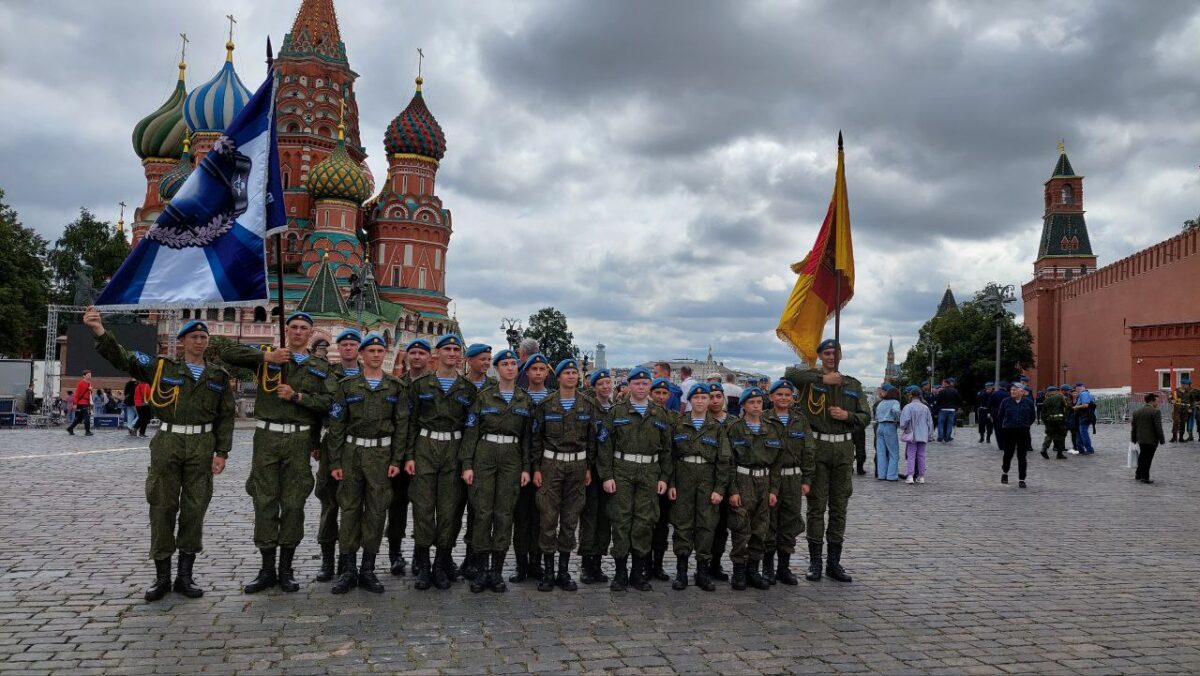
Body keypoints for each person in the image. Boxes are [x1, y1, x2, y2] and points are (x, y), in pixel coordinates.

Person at [84, 309, 234, 601]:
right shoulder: (162, 368)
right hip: (168, 441)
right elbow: (124, 358)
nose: (200, 342)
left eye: (204, 337)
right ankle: (162, 577)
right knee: (162, 507)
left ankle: (185, 576)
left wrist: (222, 452)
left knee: (194, 510)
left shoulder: (218, 375)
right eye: (194, 337)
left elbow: (226, 416)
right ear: (182, 342)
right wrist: (100, 331)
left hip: (202, 444)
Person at [215, 311, 335, 594]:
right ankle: (266, 568)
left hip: (298, 440)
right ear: (286, 330)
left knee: (294, 503)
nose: (297, 332)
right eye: (292, 327)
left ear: (310, 333)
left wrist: (298, 397)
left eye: (303, 328)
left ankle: (286, 569)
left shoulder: (320, 367)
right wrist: (266, 358)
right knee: (264, 500)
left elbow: (328, 404)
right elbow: (227, 353)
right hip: (267, 437)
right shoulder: (269, 356)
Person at [783, 338, 870, 584]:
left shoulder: (852, 384)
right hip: (818, 449)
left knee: (839, 507)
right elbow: (789, 374)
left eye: (836, 353)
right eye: (828, 353)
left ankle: (834, 562)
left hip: (843, 448)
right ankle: (815, 561)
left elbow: (866, 416)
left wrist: (848, 415)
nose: (832, 357)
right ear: (820, 356)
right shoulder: (810, 381)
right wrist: (823, 379)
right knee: (816, 507)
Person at [326, 333, 406, 594]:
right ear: (361, 354)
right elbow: (337, 426)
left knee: (376, 511)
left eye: (379, 351)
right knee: (349, 510)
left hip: (381, 456)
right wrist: (336, 460)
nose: (375, 354)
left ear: (385, 354)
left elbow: (402, 427)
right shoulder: (348, 386)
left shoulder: (395, 387)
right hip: (352, 452)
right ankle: (348, 569)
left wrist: (396, 459)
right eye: (370, 350)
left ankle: (368, 569)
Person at [459, 349, 533, 593]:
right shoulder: (484, 397)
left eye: (513, 363)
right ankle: (480, 571)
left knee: (504, 514)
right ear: (497, 369)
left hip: (511, 458)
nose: (510, 367)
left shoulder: (525, 399)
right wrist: (467, 465)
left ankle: (496, 572)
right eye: (505, 364)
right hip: (485, 455)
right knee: (482, 512)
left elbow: (527, 439)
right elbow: (471, 432)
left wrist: (525, 468)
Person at [405, 334, 476, 590]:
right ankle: (423, 565)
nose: (453, 353)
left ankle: (441, 563)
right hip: (425, 448)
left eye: (457, 349)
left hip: (454, 450)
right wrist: (409, 456)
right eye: (448, 349)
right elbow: (409, 423)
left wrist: (466, 461)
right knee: (423, 508)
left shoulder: (468, 390)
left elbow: (471, 429)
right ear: (438, 354)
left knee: (449, 510)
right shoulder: (421, 385)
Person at [598, 366, 672, 592]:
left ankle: (637, 573)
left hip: (649, 471)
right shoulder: (616, 412)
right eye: (637, 383)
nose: (641, 387)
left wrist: (664, 477)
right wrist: (606, 476)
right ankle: (620, 573)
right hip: (622, 470)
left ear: (650, 386)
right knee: (621, 520)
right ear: (629, 385)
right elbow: (604, 446)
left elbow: (667, 450)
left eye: (645, 383)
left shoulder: (660, 414)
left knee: (644, 521)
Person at [531, 358, 599, 592]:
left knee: (570, 519)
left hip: (578, 466)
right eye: (566, 373)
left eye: (574, 373)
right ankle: (548, 572)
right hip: (551, 465)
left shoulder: (588, 405)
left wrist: (589, 467)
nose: (571, 376)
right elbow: (536, 439)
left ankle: (563, 570)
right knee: (548, 518)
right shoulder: (547, 405)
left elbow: (592, 440)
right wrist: (536, 469)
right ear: (558, 377)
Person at [666, 383, 730, 592]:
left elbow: (723, 461)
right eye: (697, 398)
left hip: (707, 479)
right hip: (683, 478)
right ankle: (681, 572)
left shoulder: (717, 427)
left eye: (705, 398)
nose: (701, 401)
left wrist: (719, 489)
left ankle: (702, 571)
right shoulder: (679, 424)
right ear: (690, 400)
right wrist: (672, 483)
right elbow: (671, 457)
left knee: (706, 526)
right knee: (682, 525)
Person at [312, 328, 362, 583]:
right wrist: (315, 442)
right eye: (344, 344)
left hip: (359, 448)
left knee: (354, 506)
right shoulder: (327, 376)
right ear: (338, 348)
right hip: (332, 442)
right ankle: (327, 558)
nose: (349, 348)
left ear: (359, 349)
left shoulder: (372, 377)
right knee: (330, 503)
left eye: (353, 344)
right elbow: (317, 411)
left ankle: (348, 558)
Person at [725, 387, 782, 590]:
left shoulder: (772, 429)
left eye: (758, 402)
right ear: (743, 406)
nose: (756, 406)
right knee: (741, 527)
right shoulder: (735, 429)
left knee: (760, 528)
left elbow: (777, 463)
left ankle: (753, 570)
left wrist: (774, 490)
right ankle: (739, 571)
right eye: (751, 403)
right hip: (743, 479)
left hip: (764, 481)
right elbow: (728, 462)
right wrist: (732, 490)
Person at [386, 338, 432, 577]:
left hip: (424, 456)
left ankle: (418, 554)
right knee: (396, 506)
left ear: (429, 358)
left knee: (423, 507)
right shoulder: (396, 385)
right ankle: (395, 554)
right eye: (412, 353)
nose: (416, 357)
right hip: (398, 455)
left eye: (421, 353)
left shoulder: (434, 386)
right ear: (406, 357)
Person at [763, 380, 812, 586]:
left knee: (790, 522)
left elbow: (809, 451)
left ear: (793, 398)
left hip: (793, 478)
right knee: (768, 521)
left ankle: (784, 567)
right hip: (769, 478)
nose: (784, 398)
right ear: (771, 397)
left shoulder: (800, 420)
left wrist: (807, 479)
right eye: (779, 394)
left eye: (787, 395)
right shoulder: (763, 419)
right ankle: (767, 567)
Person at [511, 353, 551, 583]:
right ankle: (521, 563)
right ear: (526, 372)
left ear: (547, 373)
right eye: (533, 368)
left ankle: (537, 561)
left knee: (542, 515)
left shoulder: (553, 399)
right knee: (521, 515)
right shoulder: (520, 398)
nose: (537, 372)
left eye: (541, 369)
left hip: (547, 465)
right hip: (520, 464)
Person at [578, 368, 614, 584]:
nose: (605, 387)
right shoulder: (589, 409)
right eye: (601, 384)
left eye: (608, 383)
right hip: (593, 470)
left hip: (611, 472)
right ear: (594, 386)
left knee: (605, 519)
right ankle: (586, 564)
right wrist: (587, 468)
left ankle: (598, 562)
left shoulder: (617, 410)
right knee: (589, 517)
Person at [705, 382, 737, 583]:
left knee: (723, 526)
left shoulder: (734, 423)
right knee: (707, 525)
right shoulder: (701, 421)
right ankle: (703, 562)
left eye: (718, 396)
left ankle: (716, 563)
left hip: (730, 481)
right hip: (707, 481)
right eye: (711, 396)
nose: (715, 400)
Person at [648, 377, 679, 581]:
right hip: (645, 473)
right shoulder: (645, 414)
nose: (660, 397)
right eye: (657, 393)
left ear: (669, 396)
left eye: (664, 393)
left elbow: (675, 453)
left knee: (661, 524)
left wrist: (670, 482)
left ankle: (657, 565)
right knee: (644, 521)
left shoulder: (675, 418)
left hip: (665, 477)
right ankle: (642, 563)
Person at [997, 383, 1037, 488]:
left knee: (1022, 456)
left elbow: (1032, 417)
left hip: (1023, 431)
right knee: (1008, 454)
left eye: (1015, 390)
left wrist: (1026, 424)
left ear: (1022, 392)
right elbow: (1000, 416)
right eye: (1012, 390)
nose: (1013, 392)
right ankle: (1005, 472)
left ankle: (1022, 479)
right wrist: (1007, 425)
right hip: (1009, 431)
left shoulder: (1028, 402)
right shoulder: (1006, 402)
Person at [899, 385, 933, 484]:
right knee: (921, 455)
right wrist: (929, 434)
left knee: (911, 455)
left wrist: (904, 428)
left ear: (911, 396)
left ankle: (910, 475)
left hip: (912, 434)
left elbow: (903, 422)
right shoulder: (925, 407)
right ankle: (921, 476)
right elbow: (930, 422)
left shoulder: (908, 407)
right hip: (923, 435)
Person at [1131, 393, 1166, 484]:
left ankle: (1138, 474)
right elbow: (1158, 427)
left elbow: (1134, 427)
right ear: (1151, 401)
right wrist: (1162, 439)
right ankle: (1145, 477)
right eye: (1157, 401)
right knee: (1148, 459)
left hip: (1141, 439)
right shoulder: (1155, 411)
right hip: (1151, 439)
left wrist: (1133, 439)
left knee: (1142, 456)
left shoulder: (1137, 412)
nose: (1158, 403)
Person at [874, 384, 901, 481]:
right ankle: (891, 475)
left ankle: (881, 474)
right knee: (893, 452)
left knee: (881, 452)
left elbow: (876, 416)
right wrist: (897, 420)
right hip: (890, 426)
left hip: (880, 426)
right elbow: (896, 411)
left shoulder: (881, 403)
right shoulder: (895, 402)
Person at [1040, 385, 1069, 459]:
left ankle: (1044, 448)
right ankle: (1059, 453)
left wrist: (1046, 422)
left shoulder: (1046, 400)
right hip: (1059, 420)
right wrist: (1065, 417)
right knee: (1060, 436)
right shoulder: (1060, 397)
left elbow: (1043, 413)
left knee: (1049, 435)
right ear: (1055, 391)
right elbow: (1066, 406)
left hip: (1050, 420)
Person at [66, 370, 94, 436]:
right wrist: (75, 404)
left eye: (90, 375)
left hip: (86, 402)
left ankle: (70, 428)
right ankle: (87, 431)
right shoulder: (81, 383)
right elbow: (77, 394)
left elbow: (89, 394)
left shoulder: (89, 383)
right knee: (87, 417)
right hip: (81, 403)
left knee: (79, 418)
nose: (90, 376)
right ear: (84, 376)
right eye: (88, 375)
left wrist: (91, 391)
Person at [935, 378, 961, 442]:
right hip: (952, 409)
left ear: (946, 383)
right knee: (949, 424)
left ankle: (940, 437)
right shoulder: (955, 391)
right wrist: (955, 407)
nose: (942, 384)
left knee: (941, 424)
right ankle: (947, 437)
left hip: (943, 409)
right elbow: (959, 400)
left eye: (942, 383)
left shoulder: (941, 391)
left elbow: (938, 400)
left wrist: (938, 407)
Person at [1072, 383, 1095, 454]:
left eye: (1075, 389)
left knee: (1083, 432)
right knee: (1079, 432)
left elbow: (1085, 405)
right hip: (1082, 416)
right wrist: (1075, 398)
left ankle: (1089, 449)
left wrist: (1075, 407)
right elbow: (1077, 403)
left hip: (1085, 416)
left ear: (1078, 388)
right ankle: (1080, 448)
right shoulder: (1082, 394)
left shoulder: (1083, 394)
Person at [988, 381, 1010, 451]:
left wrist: (989, 413)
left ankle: (1000, 445)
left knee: (997, 429)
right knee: (1006, 428)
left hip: (995, 412)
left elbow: (990, 404)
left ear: (1000, 386)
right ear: (1006, 387)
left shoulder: (994, 394)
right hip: (1005, 413)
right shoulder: (1008, 394)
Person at [1171, 377, 1194, 443]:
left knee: (1183, 422)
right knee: (1176, 421)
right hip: (1177, 407)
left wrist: (1190, 408)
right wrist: (1172, 401)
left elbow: (1192, 401)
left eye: (1188, 384)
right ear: (1182, 384)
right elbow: (1170, 398)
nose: (1188, 386)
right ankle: (1174, 437)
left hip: (1186, 408)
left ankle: (1181, 438)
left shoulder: (1189, 392)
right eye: (1186, 384)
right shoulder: (1175, 391)